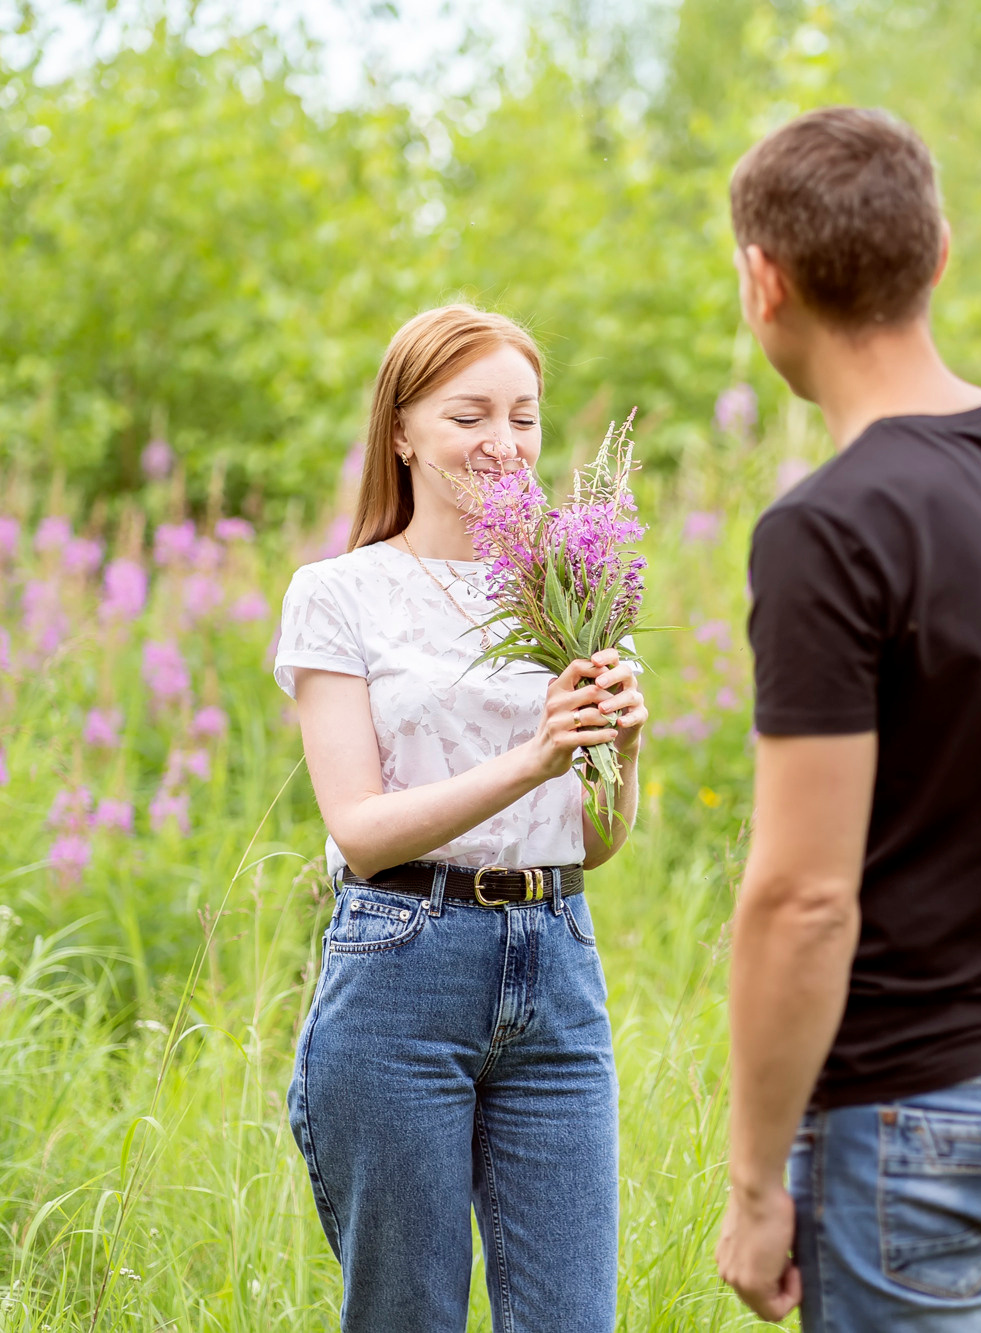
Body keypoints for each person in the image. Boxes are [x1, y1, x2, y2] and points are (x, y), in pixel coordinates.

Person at [713, 108, 981, 1331]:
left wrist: (755, 1183)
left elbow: (802, 897)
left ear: (766, 281)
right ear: (939, 254)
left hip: (923, 1106)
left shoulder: (825, 528)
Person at [274, 304, 647, 1332]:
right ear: (400, 429)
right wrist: (535, 753)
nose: (504, 443)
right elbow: (359, 828)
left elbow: (595, 842)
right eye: (468, 414)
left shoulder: (567, 590)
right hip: (401, 968)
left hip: (558, 966)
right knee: (407, 1317)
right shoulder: (340, 595)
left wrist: (619, 744)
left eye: (523, 418)